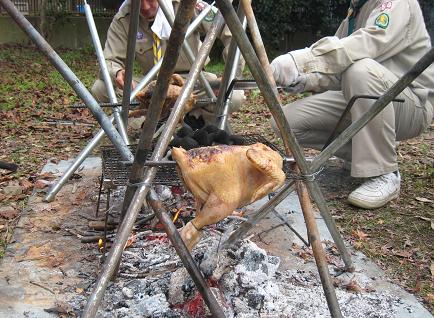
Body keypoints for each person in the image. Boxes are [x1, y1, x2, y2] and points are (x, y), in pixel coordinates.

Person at [270, 0, 434, 209]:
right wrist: (306, 79)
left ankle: (384, 173)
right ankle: (364, 157)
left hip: (412, 102)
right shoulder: (356, 10)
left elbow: (369, 44)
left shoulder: (397, 3)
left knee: (361, 69)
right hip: (368, 93)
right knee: (285, 123)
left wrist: (301, 60)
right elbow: (339, 66)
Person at [91, 0, 245, 125]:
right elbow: (109, 61)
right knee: (101, 88)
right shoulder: (124, 17)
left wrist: (229, 75)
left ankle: (196, 120)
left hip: (194, 82)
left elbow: (231, 31)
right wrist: (117, 73)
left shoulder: (189, 4)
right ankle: (150, 123)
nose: (144, 7)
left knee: (234, 94)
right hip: (151, 85)